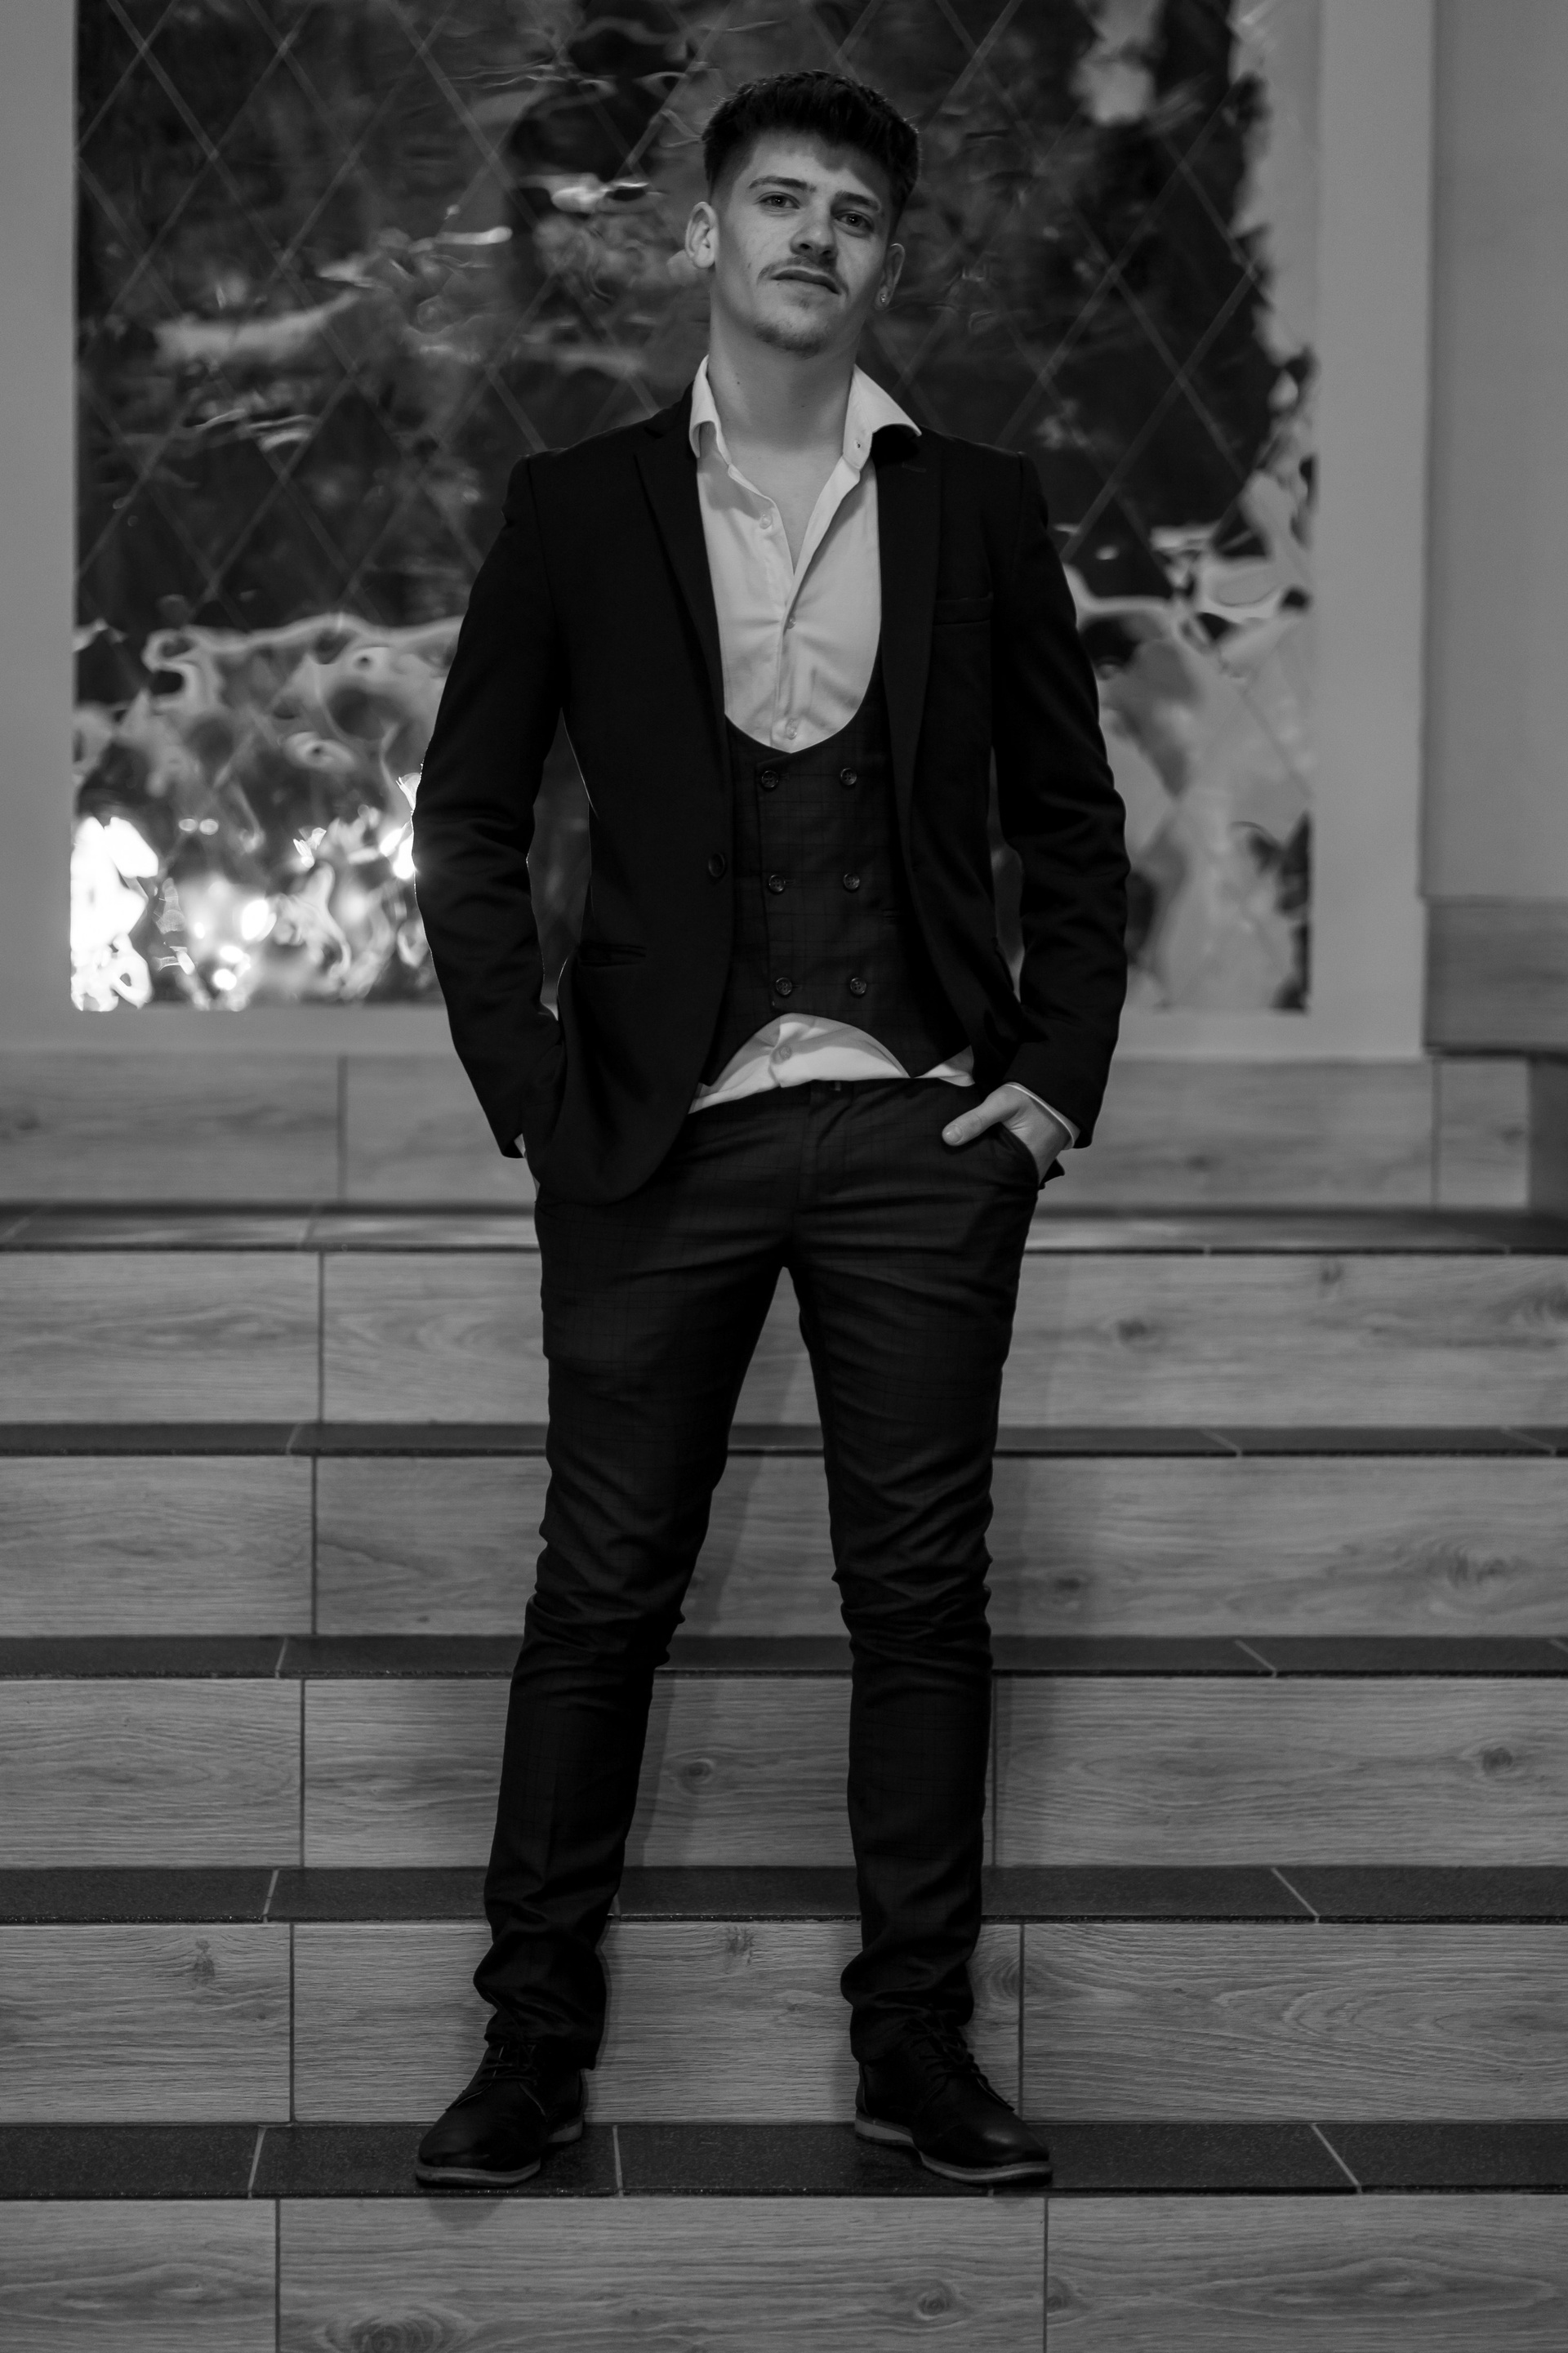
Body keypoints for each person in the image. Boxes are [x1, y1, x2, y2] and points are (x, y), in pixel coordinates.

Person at [411, 69, 1127, 2189]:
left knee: (920, 1603)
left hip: (918, 1129)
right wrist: (533, 1090)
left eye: (855, 213)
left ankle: (915, 2047)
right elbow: (466, 815)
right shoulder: (579, 506)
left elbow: (1071, 820)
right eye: (781, 199)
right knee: (599, 1593)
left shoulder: (975, 507)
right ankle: (530, 2047)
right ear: (704, 233)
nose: (816, 234)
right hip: (655, 1134)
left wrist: (1048, 1084)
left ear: (887, 260)